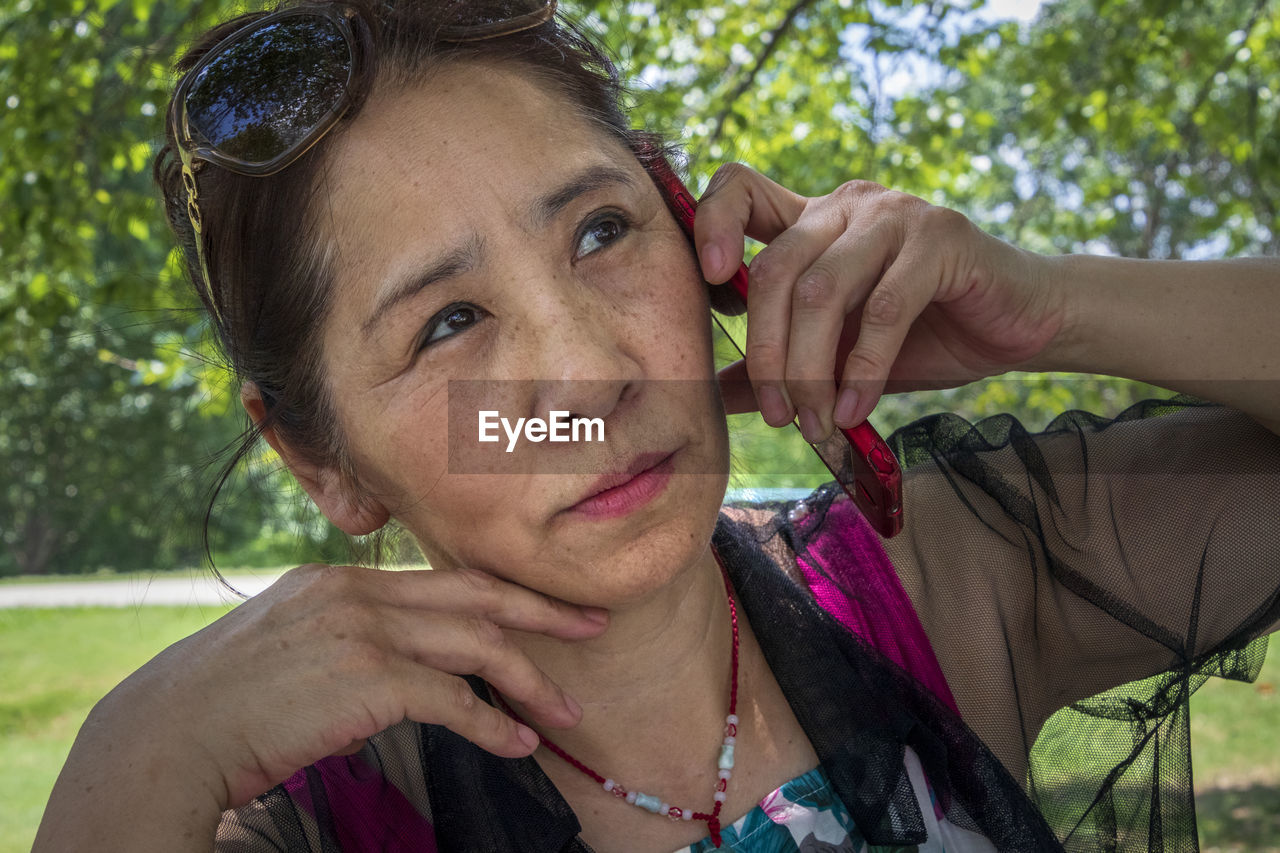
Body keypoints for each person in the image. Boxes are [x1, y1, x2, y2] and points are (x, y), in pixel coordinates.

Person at [35, 1, 1280, 851]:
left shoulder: (944, 571)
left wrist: (1050, 310)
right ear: (318, 459)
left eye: (600, 232)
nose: (587, 376)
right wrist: (132, 758)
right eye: (448, 322)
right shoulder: (324, 826)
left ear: (700, 241)